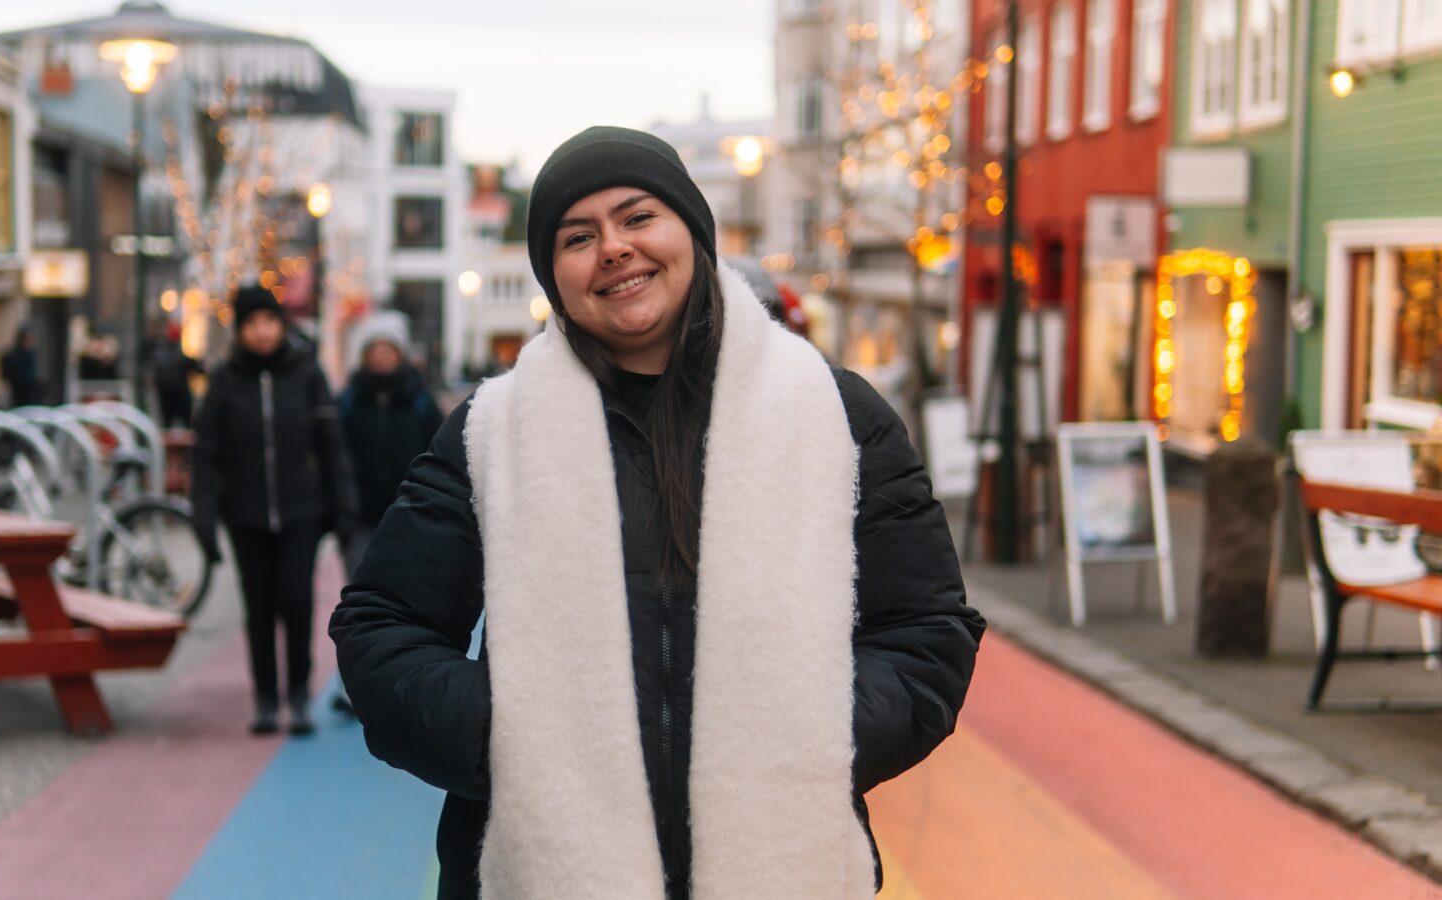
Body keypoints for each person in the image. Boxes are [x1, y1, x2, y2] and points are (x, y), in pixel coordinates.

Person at [330, 127, 983, 899]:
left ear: (693, 234)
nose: (613, 248)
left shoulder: (833, 415)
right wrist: (511, 737)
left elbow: (925, 630)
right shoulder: (492, 431)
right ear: (555, 276)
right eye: (579, 237)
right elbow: (382, 628)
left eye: (638, 217)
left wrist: (815, 737)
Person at [192, 285, 357, 737]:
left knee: (297, 600)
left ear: (280, 324)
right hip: (246, 514)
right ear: (240, 330)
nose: (261, 332)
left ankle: (298, 694)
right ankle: (266, 698)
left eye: (268, 321)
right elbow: (205, 453)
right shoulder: (225, 380)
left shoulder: (305, 374)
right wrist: (204, 517)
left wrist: (343, 507)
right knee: (259, 605)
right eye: (251, 324)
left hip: (301, 509)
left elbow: (331, 446)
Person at [337, 313, 444, 566]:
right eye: (375, 349)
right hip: (359, 517)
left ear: (400, 354)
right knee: (359, 581)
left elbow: (438, 452)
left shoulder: (420, 400)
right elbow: (336, 453)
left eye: (388, 349)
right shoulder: (349, 400)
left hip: (410, 513)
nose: (381, 356)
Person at [151, 321, 203, 428]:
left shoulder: (159, 352)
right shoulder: (177, 354)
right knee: (185, 424)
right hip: (179, 395)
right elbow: (196, 368)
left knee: (168, 424)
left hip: (167, 396)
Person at [0, 323, 44, 408]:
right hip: (20, 393)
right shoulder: (17, 355)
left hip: (30, 394)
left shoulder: (30, 354)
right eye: (27, 338)